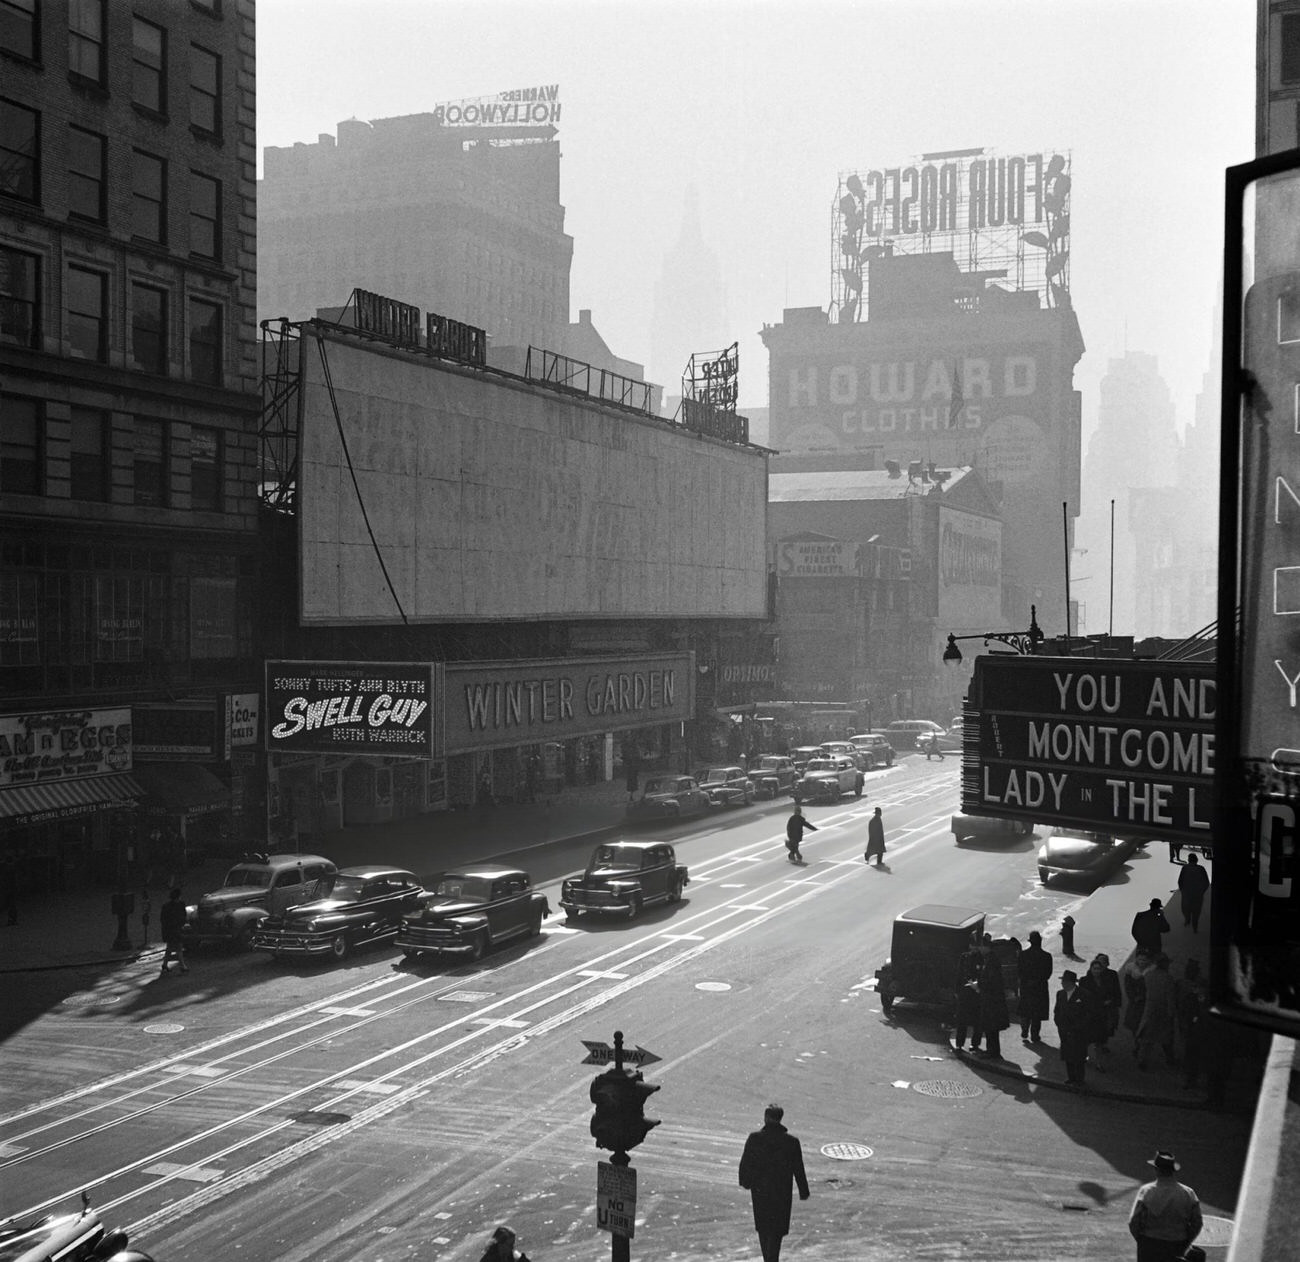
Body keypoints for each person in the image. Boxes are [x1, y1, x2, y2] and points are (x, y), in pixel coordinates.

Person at [738, 1103, 810, 1262]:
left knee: (763, 1229)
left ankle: (768, 1259)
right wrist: (803, 1190)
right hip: (781, 1192)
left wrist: (745, 1181)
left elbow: (745, 1163)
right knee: (777, 1231)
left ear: (766, 1118)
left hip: (760, 1191)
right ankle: (772, 1259)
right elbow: (798, 1168)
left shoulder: (755, 1138)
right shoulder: (791, 1142)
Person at [1128, 1150, 1203, 1262]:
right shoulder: (1189, 1193)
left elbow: (1134, 1221)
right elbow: (1197, 1223)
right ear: (1173, 1171)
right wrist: (1186, 1242)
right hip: (1176, 1244)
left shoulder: (1146, 1191)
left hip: (1149, 1244)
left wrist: (1142, 1240)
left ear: (1156, 1170)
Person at [1078, 952, 1122, 1070]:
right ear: (1091, 969)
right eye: (1095, 968)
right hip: (1090, 1014)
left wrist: (1112, 1002)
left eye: (1099, 968)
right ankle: (1084, 1056)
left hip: (1101, 1015)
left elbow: (1113, 993)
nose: (1097, 971)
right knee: (1087, 1039)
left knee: (1099, 1041)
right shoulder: (1084, 981)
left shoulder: (1106, 980)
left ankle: (1099, 1063)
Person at [1137, 953, 1178, 1071]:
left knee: (1146, 1039)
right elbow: (1170, 998)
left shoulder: (1148, 975)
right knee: (1167, 1038)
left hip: (1149, 1010)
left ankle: (1142, 1060)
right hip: (1163, 1012)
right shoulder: (1168, 978)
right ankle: (1170, 1059)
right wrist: (1171, 1013)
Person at [1054, 969, 1093, 1086]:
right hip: (1064, 1031)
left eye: (1065, 982)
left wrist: (1078, 1027)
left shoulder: (1084, 994)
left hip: (1078, 1032)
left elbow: (1088, 1013)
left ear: (1071, 983)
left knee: (1078, 1057)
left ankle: (1080, 1080)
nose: (1063, 984)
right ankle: (1071, 1077)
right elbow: (1057, 1010)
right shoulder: (1060, 994)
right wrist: (1059, 1024)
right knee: (1067, 1056)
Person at [975, 933, 1010, 1060]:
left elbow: (991, 981)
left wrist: (978, 985)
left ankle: (993, 1051)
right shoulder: (990, 959)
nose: (979, 949)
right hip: (991, 999)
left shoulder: (991, 961)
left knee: (991, 1027)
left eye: (981, 947)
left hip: (992, 1000)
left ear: (985, 947)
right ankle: (992, 1050)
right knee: (990, 1027)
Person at [1017, 929, 1053, 1043]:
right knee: (1037, 1014)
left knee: (1025, 1011)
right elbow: (1048, 973)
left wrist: (1026, 981)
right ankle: (1035, 1035)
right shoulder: (1047, 956)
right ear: (1040, 941)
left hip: (1026, 987)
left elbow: (1019, 971)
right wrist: (1037, 981)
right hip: (1040, 988)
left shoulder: (1023, 955)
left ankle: (1024, 1030)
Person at [953, 937, 984, 1053]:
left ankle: (975, 1044)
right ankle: (959, 1043)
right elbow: (959, 974)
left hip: (976, 992)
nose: (974, 948)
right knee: (962, 1019)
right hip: (965, 992)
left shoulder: (981, 958)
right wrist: (957, 990)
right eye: (972, 945)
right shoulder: (964, 957)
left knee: (977, 1020)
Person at [1121, 949, 1152, 1054]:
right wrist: (1133, 997)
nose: (1142, 962)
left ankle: (1142, 1045)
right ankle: (1137, 1043)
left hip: (1147, 1002)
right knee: (1135, 1024)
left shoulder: (1151, 972)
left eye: (1144, 960)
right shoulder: (1130, 971)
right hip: (1135, 1003)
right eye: (1140, 959)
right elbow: (1128, 986)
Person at [1177, 854, 1211, 933]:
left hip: (1187, 894)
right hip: (1197, 895)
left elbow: (1180, 881)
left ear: (1189, 860)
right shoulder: (1201, 869)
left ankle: (1187, 920)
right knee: (1196, 911)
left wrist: (1183, 891)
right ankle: (1195, 927)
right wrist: (1201, 892)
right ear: (1196, 860)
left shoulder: (1185, 868)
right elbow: (1206, 882)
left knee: (1185, 909)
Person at [158, 887, 188, 975]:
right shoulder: (181, 905)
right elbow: (183, 916)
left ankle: (165, 964)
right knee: (178, 946)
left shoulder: (166, 906)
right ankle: (182, 965)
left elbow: (163, 919)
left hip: (169, 930)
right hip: (176, 929)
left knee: (170, 947)